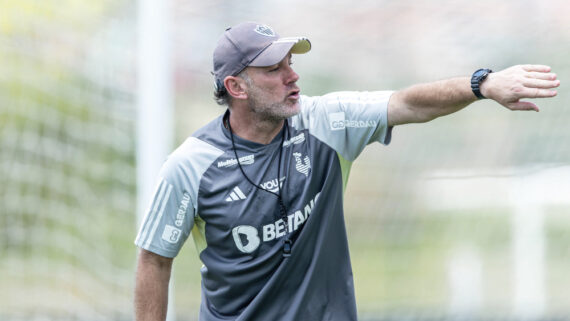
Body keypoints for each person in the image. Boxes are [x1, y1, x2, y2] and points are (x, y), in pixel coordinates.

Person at [134, 22, 560, 321]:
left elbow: (407, 103)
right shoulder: (190, 165)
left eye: (289, 63)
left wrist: (481, 84)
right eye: (274, 69)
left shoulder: (325, 121)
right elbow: (154, 260)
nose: (292, 76)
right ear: (236, 87)